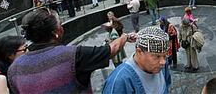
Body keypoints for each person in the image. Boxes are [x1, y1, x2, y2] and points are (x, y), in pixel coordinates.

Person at [8, 8, 136, 93]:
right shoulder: (73, 56)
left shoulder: (14, 69)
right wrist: (124, 36)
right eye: (60, 24)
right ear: (57, 32)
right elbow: (112, 49)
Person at [103, 26, 171, 94]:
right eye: (157, 56)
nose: (163, 62)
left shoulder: (162, 65)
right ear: (139, 52)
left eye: (165, 56)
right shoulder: (119, 82)